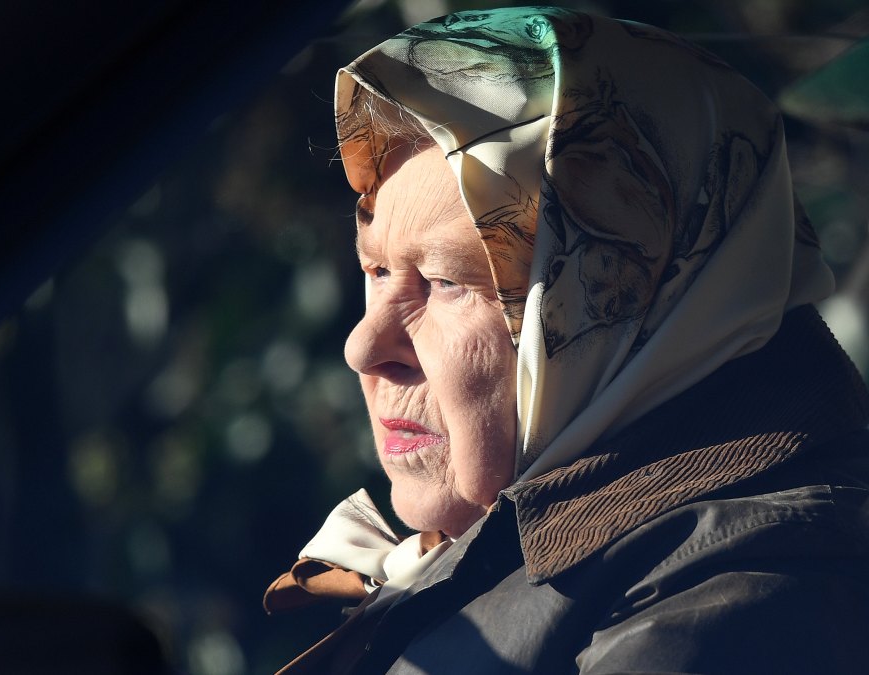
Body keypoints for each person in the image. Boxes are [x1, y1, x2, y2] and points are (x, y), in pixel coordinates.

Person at [263, 7, 869, 674]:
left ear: (631, 287)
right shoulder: (557, 547)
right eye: (375, 269)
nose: (363, 347)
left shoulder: (744, 593)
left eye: (444, 282)